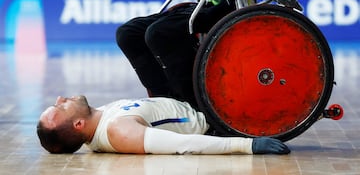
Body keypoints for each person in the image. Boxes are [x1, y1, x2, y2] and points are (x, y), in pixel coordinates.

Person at [37, 95, 291, 155]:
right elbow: (184, 144)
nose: (60, 99)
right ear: (78, 124)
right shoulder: (119, 131)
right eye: (59, 107)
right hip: (210, 117)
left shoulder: (97, 121)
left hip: (186, 97)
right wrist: (248, 145)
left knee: (130, 34)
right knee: (160, 34)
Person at [116, 0, 234, 109]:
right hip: (202, 3)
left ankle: (195, 105)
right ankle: (164, 101)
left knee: (158, 33)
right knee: (127, 34)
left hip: (226, 6)